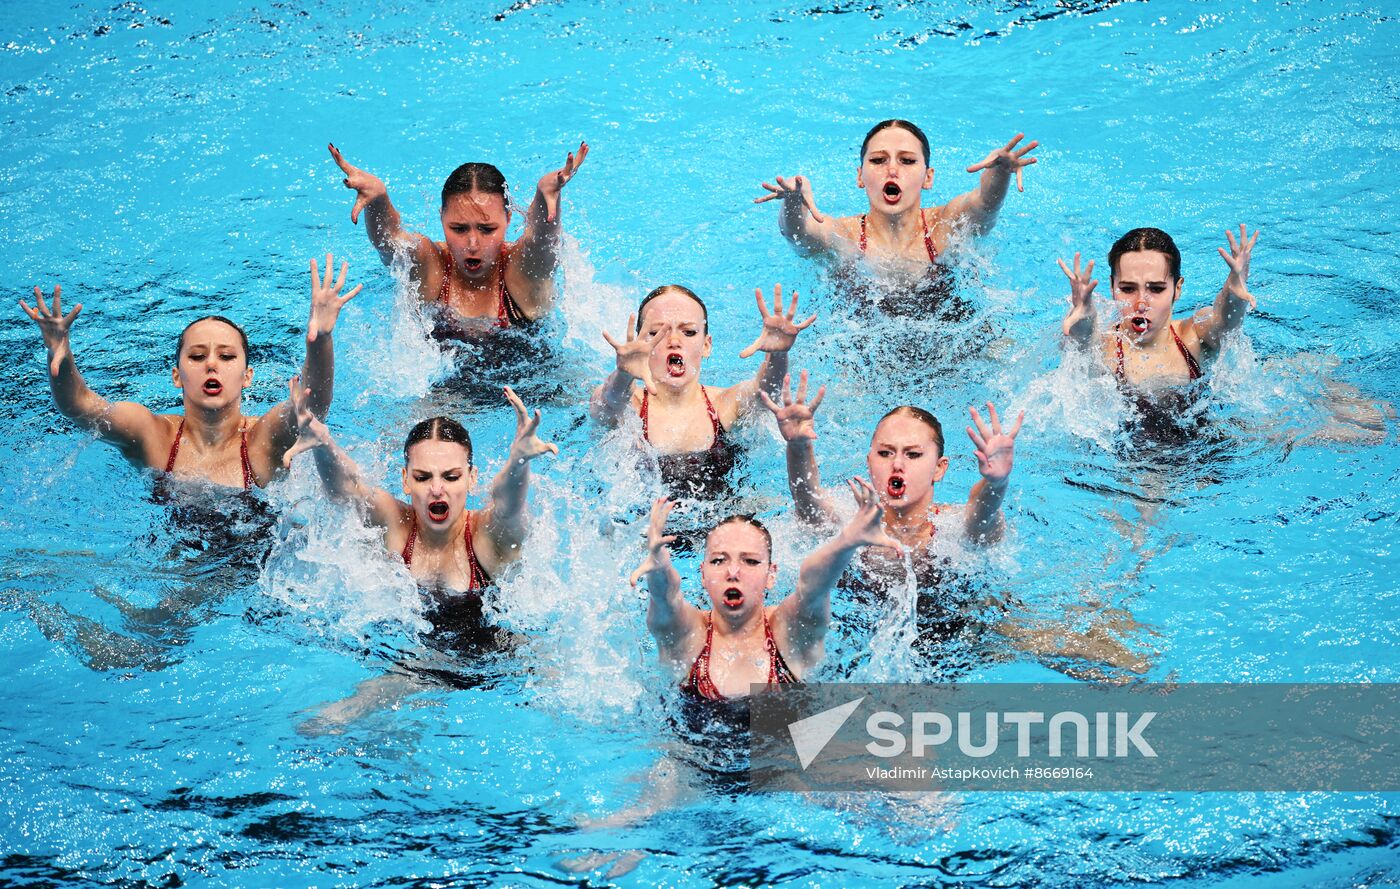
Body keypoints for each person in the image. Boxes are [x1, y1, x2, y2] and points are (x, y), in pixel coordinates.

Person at [20, 255, 360, 491]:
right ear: (176, 376)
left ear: (247, 376)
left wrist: (321, 338)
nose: (211, 364)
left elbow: (311, 406)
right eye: (197, 356)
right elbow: (80, 406)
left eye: (226, 356)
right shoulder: (152, 435)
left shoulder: (261, 439)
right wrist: (59, 355)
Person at [283, 381, 555, 637]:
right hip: (419, 660)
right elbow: (347, 489)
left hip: (501, 661)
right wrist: (323, 444)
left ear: (472, 479)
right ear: (405, 480)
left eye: (451, 477)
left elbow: (508, 504)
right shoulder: (396, 524)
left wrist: (519, 461)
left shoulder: (486, 535)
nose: (437, 489)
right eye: (423, 477)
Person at [630, 481, 900, 701]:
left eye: (750, 561)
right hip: (688, 764)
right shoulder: (688, 635)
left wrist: (847, 542)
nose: (732, 572)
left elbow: (813, 585)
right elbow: (666, 598)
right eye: (718, 560)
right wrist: (659, 565)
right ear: (701, 575)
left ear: (771, 575)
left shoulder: (789, 632)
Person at [328, 141, 587, 337]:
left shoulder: (520, 271)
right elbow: (392, 242)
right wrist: (378, 200)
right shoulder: (432, 266)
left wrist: (546, 194)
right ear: (441, 219)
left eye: (487, 229)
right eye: (459, 228)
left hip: (535, 391)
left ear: (508, 219)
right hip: (448, 399)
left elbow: (542, 242)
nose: (472, 244)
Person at [590, 283, 814, 499]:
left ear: (706, 345)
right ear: (640, 342)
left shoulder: (723, 404)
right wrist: (623, 373)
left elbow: (765, 394)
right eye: (656, 332)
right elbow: (607, 404)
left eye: (688, 332)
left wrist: (778, 354)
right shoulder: (631, 406)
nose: (674, 340)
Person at [755, 120, 1038, 279]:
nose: (892, 169)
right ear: (860, 177)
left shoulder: (944, 225)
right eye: (878, 160)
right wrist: (793, 202)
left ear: (928, 177)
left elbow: (984, 205)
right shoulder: (847, 235)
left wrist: (1000, 172)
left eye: (907, 161)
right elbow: (799, 234)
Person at [1060, 225, 1258, 390]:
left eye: (1156, 289)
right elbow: (1085, 342)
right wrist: (1085, 315)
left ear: (1177, 289)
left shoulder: (1193, 336)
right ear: (1112, 287)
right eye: (1128, 289)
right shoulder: (1107, 347)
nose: (1141, 303)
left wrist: (1234, 292)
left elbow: (1224, 323)